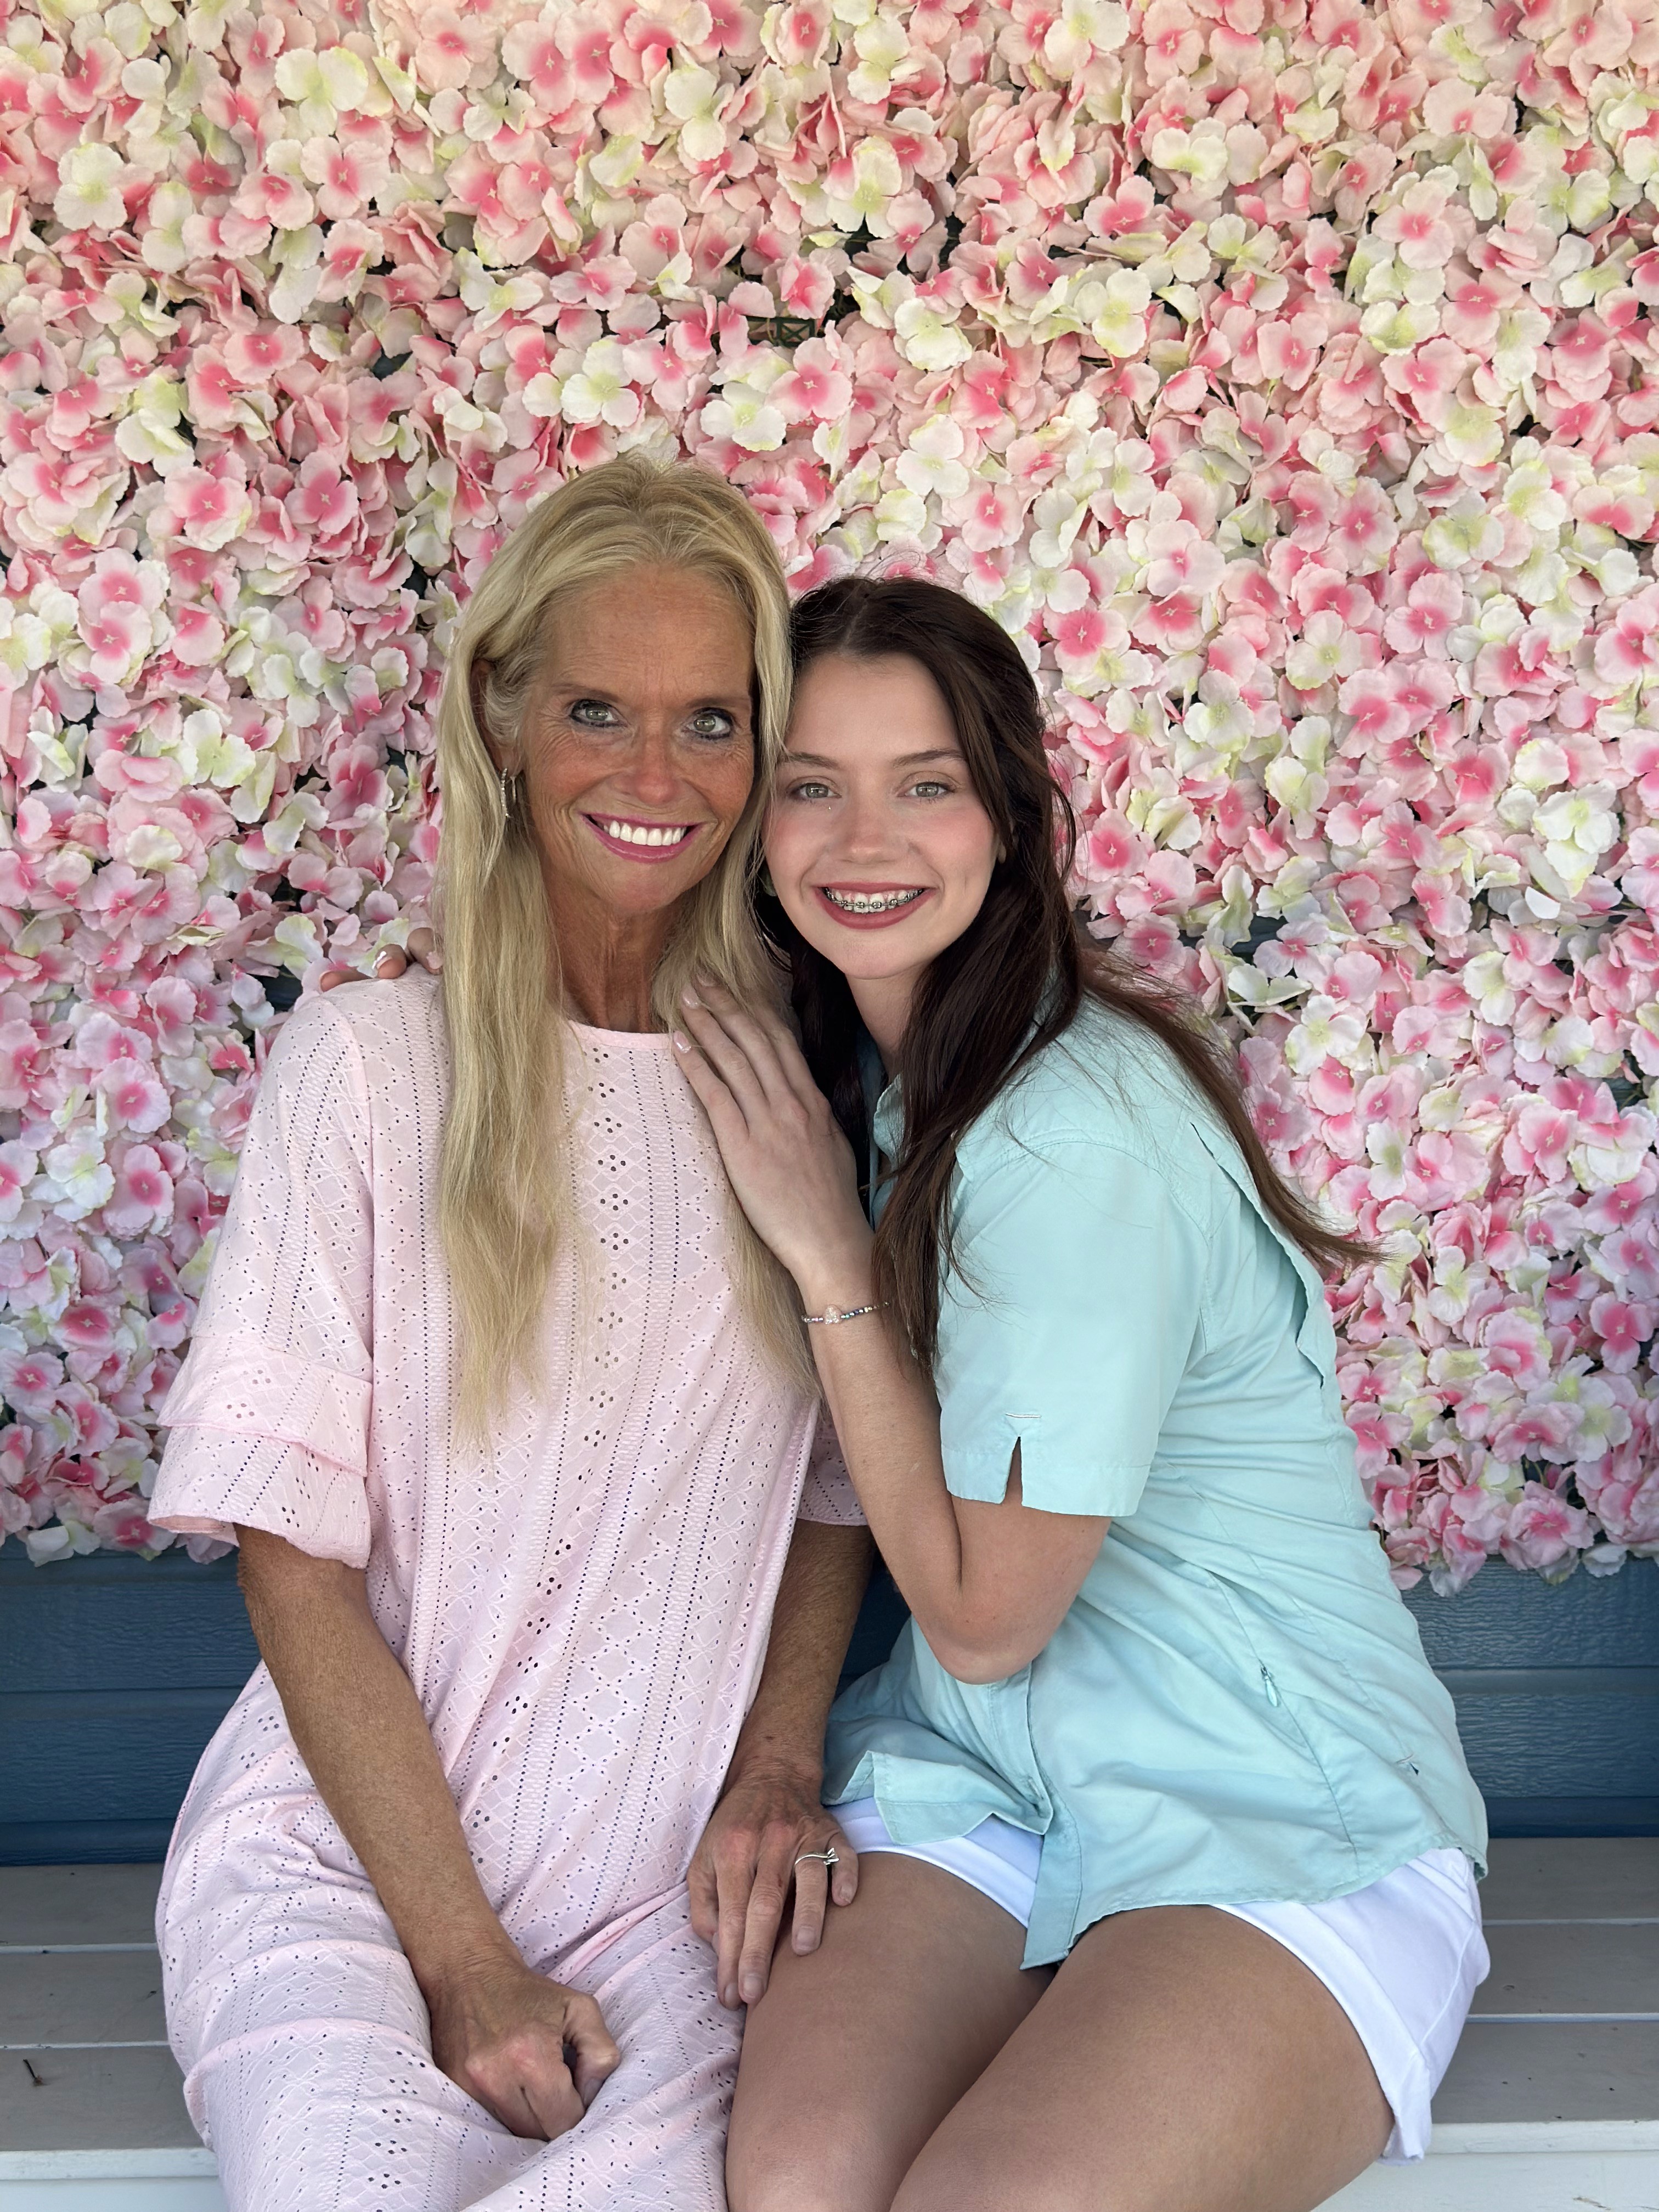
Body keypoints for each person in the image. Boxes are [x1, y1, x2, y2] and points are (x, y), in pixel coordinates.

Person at [670, 574, 1490, 2212]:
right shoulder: (879, 1079)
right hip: (984, 1777)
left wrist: (827, 1246)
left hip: (1273, 1806)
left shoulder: (1068, 1128)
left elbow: (982, 1619)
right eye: (812, 786)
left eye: (928, 785)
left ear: (1013, 816)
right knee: (804, 2180)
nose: (864, 838)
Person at [145, 458, 874, 2212]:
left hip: (667, 1904)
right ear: (503, 719)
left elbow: (838, 1495)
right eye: (596, 711)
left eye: (712, 720)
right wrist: (462, 1964)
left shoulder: (806, 1085)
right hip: (353, 1870)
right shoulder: (367, 1067)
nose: (653, 776)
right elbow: (292, 1561)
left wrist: (777, 1767)